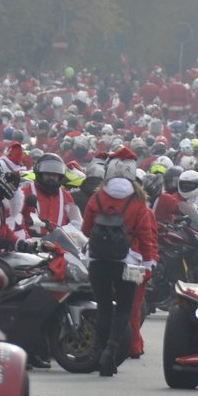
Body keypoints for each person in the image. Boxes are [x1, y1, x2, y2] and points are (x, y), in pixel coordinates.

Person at [80, 149, 157, 376]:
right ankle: (112, 350)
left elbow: (85, 230)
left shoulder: (96, 197)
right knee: (126, 309)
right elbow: (146, 236)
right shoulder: (139, 201)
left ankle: (103, 348)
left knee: (103, 307)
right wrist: (148, 263)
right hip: (130, 263)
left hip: (97, 260)